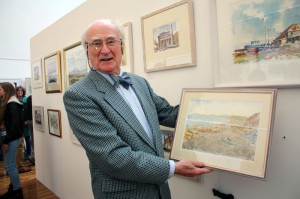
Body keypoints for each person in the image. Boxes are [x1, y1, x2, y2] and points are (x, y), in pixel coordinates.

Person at [63, 19, 212, 199]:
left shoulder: (139, 82)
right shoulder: (79, 94)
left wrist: (211, 108)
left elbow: (168, 114)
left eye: (111, 41)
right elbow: (113, 156)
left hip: (160, 190)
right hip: (123, 194)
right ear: (87, 51)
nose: (104, 50)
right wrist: (173, 167)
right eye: (96, 43)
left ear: (122, 47)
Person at [0, 82, 24, 199]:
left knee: (9, 165)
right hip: (13, 137)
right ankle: (14, 187)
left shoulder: (12, 104)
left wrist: (5, 141)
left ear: (6, 90)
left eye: (0, 89)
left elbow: (14, 125)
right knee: (10, 165)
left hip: (12, 138)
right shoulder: (12, 102)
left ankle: (17, 191)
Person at [15, 86, 32, 173]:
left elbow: (28, 111)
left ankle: (28, 155)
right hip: (19, 124)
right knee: (20, 141)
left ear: (23, 92)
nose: (20, 92)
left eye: (21, 91)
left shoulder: (26, 99)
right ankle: (23, 155)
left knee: (27, 139)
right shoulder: (15, 100)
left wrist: (26, 121)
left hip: (25, 122)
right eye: (18, 91)